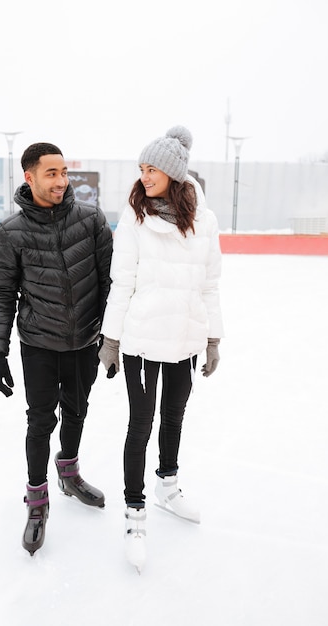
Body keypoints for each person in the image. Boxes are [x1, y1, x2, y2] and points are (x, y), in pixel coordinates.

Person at [98, 126, 224, 572]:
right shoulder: (134, 219)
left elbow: (209, 285)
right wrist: (111, 339)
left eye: (152, 169)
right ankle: (135, 514)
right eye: (141, 169)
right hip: (143, 342)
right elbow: (122, 283)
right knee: (141, 422)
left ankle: (168, 487)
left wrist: (212, 337)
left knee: (175, 415)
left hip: (185, 338)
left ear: (173, 172)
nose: (144, 176)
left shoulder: (204, 222)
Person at [0, 142, 113, 556]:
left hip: (84, 342)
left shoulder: (92, 220)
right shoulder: (11, 232)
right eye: (51, 173)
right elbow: (3, 294)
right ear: (30, 177)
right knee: (40, 422)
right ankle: (37, 501)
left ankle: (69, 473)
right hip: (39, 343)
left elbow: (109, 284)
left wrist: (112, 338)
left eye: (64, 173)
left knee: (77, 410)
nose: (61, 181)